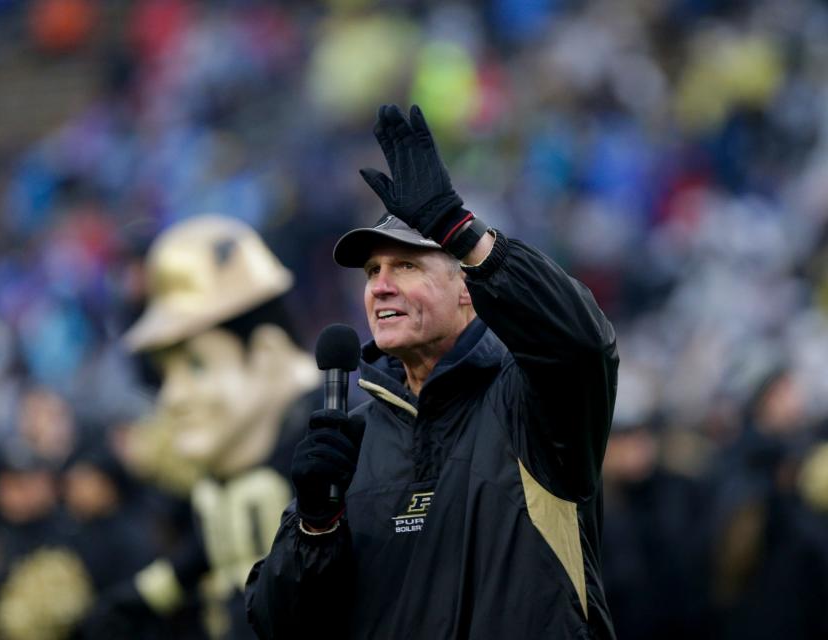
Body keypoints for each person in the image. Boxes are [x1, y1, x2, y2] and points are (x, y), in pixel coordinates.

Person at [245, 104, 620, 638]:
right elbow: (279, 625)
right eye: (373, 271)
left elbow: (584, 343)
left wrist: (458, 229)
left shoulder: (531, 402)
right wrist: (314, 524)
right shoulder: (352, 439)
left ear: (468, 286)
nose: (380, 285)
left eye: (407, 265)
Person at [83, 214, 322, 639]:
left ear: (267, 353)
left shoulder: (330, 442)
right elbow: (205, 553)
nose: (173, 396)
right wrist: (142, 597)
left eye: (195, 365)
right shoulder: (220, 476)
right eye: (165, 373)